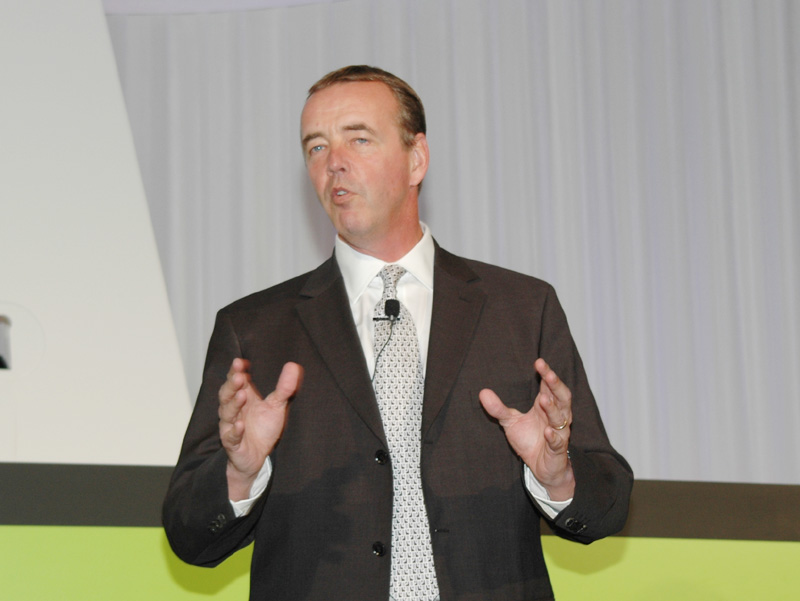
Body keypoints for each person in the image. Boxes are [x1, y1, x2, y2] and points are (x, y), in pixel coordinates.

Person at [163, 65, 632, 601]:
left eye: (358, 139)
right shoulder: (254, 329)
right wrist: (240, 475)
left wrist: (557, 477)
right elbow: (189, 536)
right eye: (316, 147)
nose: (333, 162)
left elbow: (607, 506)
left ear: (417, 159)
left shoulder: (522, 309)